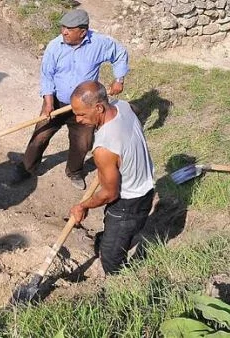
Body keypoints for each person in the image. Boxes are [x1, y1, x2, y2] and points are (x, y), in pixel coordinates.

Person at [10, 8, 129, 190]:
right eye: (63, 27)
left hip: (85, 106)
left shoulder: (99, 44)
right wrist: (48, 103)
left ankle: (74, 171)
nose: (63, 32)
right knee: (40, 136)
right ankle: (27, 168)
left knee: (83, 142)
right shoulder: (54, 46)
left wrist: (119, 79)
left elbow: (120, 54)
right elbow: (47, 76)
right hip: (57, 101)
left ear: (82, 32)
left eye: (69, 29)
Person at [69, 80, 154, 274]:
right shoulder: (122, 106)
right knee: (119, 231)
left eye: (81, 114)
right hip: (147, 188)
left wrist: (83, 206)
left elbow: (109, 194)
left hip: (128, 204)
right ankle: (114, 238)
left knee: (110, 256)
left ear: (99, 107)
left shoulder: (104, 148)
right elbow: (135, 109)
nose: (78, 120)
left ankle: (120, 285)